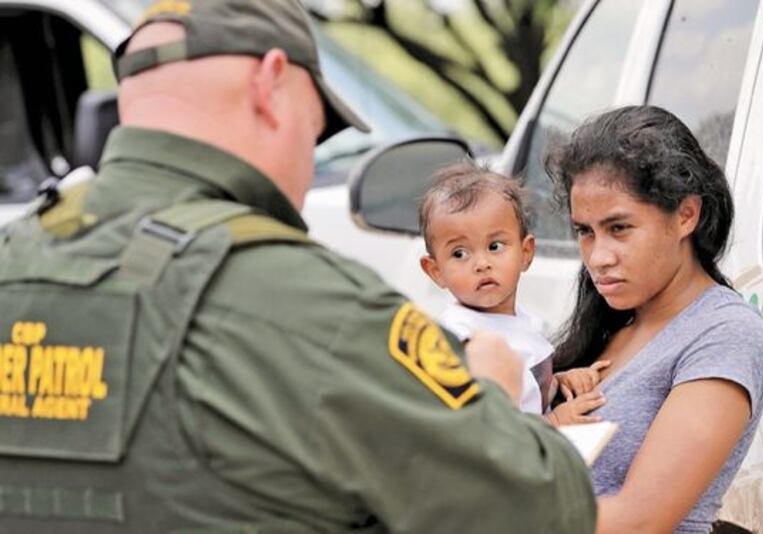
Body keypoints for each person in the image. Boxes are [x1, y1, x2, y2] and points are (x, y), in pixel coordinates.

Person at [0, 1, 596, 532]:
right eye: (315, 134)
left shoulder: (14, 260)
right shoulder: (305, 300)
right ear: (271, 83)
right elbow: (542, 507)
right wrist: (492, 392)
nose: (307, 169)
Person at [544, 105, 763, 533]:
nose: (598, 257)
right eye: (585, 232)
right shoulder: (611, 324)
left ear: (686, 215)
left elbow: (642, 520)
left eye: (620, 228)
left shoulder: (724, 333)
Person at [418, 163, 610, 424]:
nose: (481, 263)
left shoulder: (524, 322)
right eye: (459, 253)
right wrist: (554, 422)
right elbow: (488, 428)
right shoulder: (462, 339)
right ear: (435, 271)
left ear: (526, 253)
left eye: (495, 246)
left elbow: (526, 391)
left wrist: (559, 381)